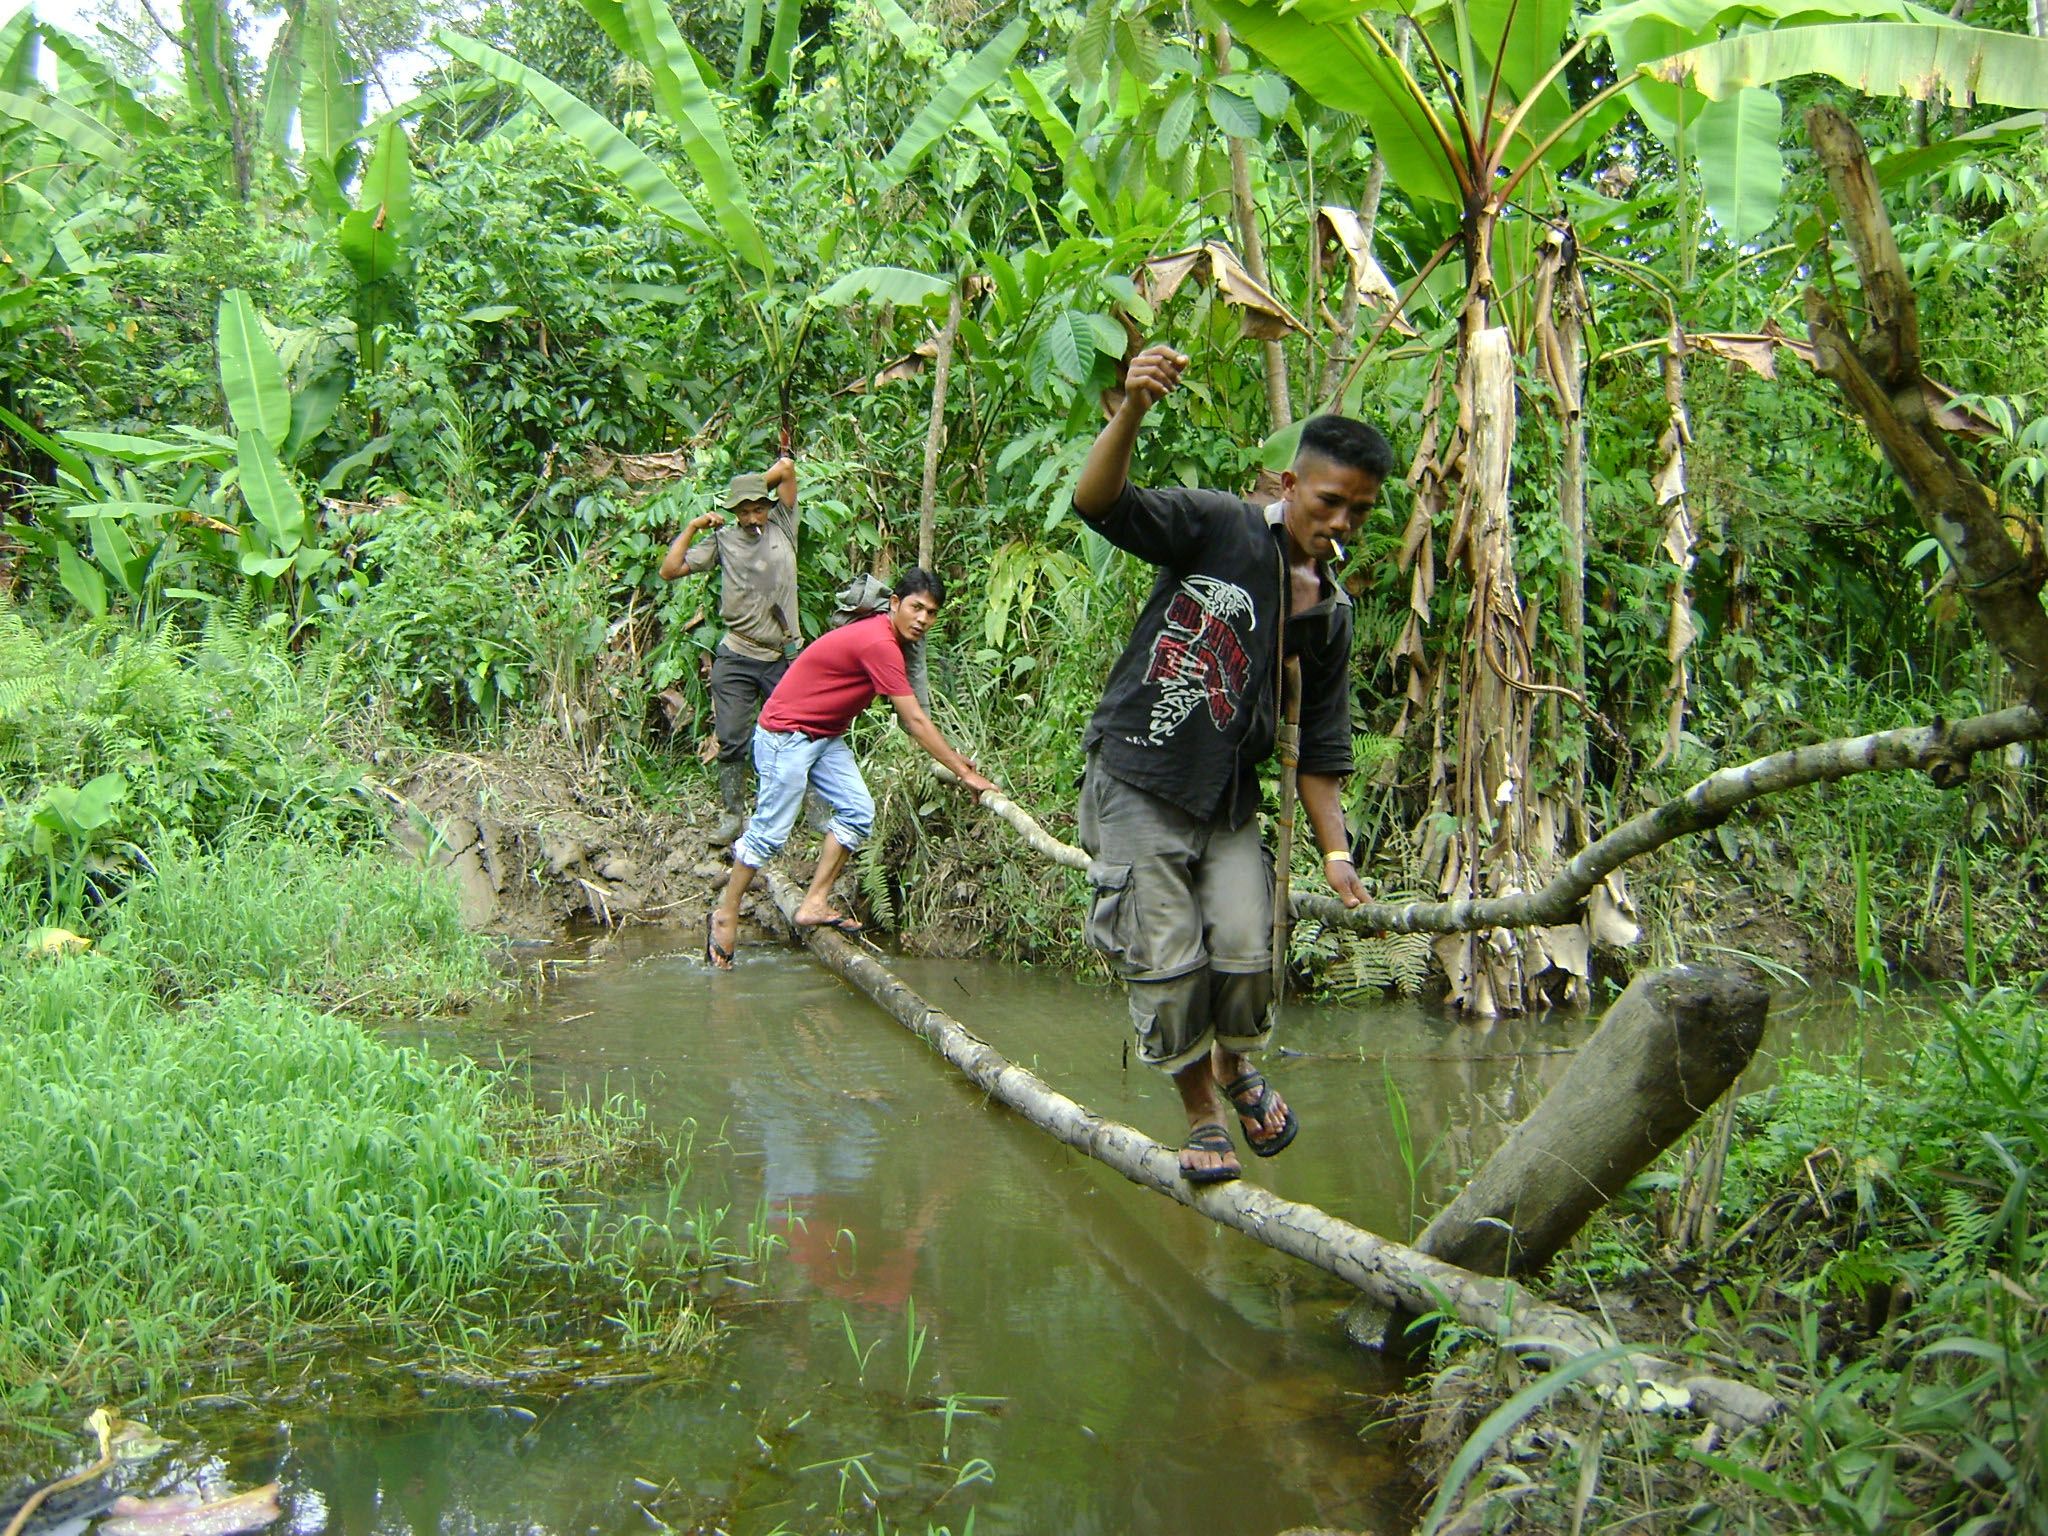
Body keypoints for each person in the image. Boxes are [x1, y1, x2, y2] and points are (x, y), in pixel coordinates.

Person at [1071, 344, 1393, 1186]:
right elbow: (1098, 503)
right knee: (1168, 963)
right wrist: (1133, 408)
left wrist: (1336, 851)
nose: (1343, 524)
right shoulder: (1218, 525)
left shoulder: (1331, 613)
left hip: (1227, 800)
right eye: (1330, 502)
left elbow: (1322, 749)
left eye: (1361, 512)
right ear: (1290, 486)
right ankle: (1203, 1116)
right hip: (1139, 776)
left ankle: (1234, 1063)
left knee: (1248, 952)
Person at [705, 568, 994, 969]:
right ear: (894, 604)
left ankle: (814, 901)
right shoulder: (879, 642)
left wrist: (955, 761)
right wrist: (965, 775)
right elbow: (913, 720)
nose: (922, 619)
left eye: (931, 613)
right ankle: (726, 912)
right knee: (769, 834)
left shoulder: (891, 638)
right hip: (786, 737)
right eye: (916, 608)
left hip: (824, 735)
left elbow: (917, 720)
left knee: (858, 813)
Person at [660, 455, 799, 844]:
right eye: (745, 511)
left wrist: (754, 486)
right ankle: (732, 814)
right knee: (734, 737)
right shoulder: (722, 539)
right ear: (733, 513)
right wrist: (692, 526)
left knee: (797, 734)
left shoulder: (785, 526)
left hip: (781, 656)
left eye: (758, 509)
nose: (754, 518)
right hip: (737, 655)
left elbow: (786, 467)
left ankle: (807, 812)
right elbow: (669, 571)